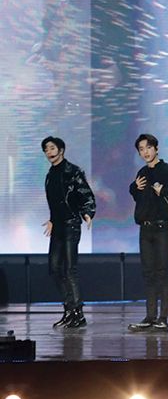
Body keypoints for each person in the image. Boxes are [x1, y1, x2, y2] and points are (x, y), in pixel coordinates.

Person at [127, 134, 168, 332]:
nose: (145, 152)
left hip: (163, 228)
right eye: (141, 149)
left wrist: (163, 191)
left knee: (162, 272)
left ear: (156, 148)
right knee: (148, 273)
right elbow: (138, 197)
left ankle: (163, 318)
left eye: (148, 147)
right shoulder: (142, 172)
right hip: (145, 228)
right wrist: (134, 188)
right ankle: (150, 316)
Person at [41, 136, 95, 328]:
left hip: (71, 224)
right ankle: (69, 309)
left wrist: (87, 213)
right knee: (54, 268)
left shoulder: (73, 171)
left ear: (61, 150)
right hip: (58, 226)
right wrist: (52, 219)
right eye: (46, 149)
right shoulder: (50, 174)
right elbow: (55, 201)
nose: (49, 152)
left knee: (70, 269)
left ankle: (78, 313)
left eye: (52, 148)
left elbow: (85, 194)